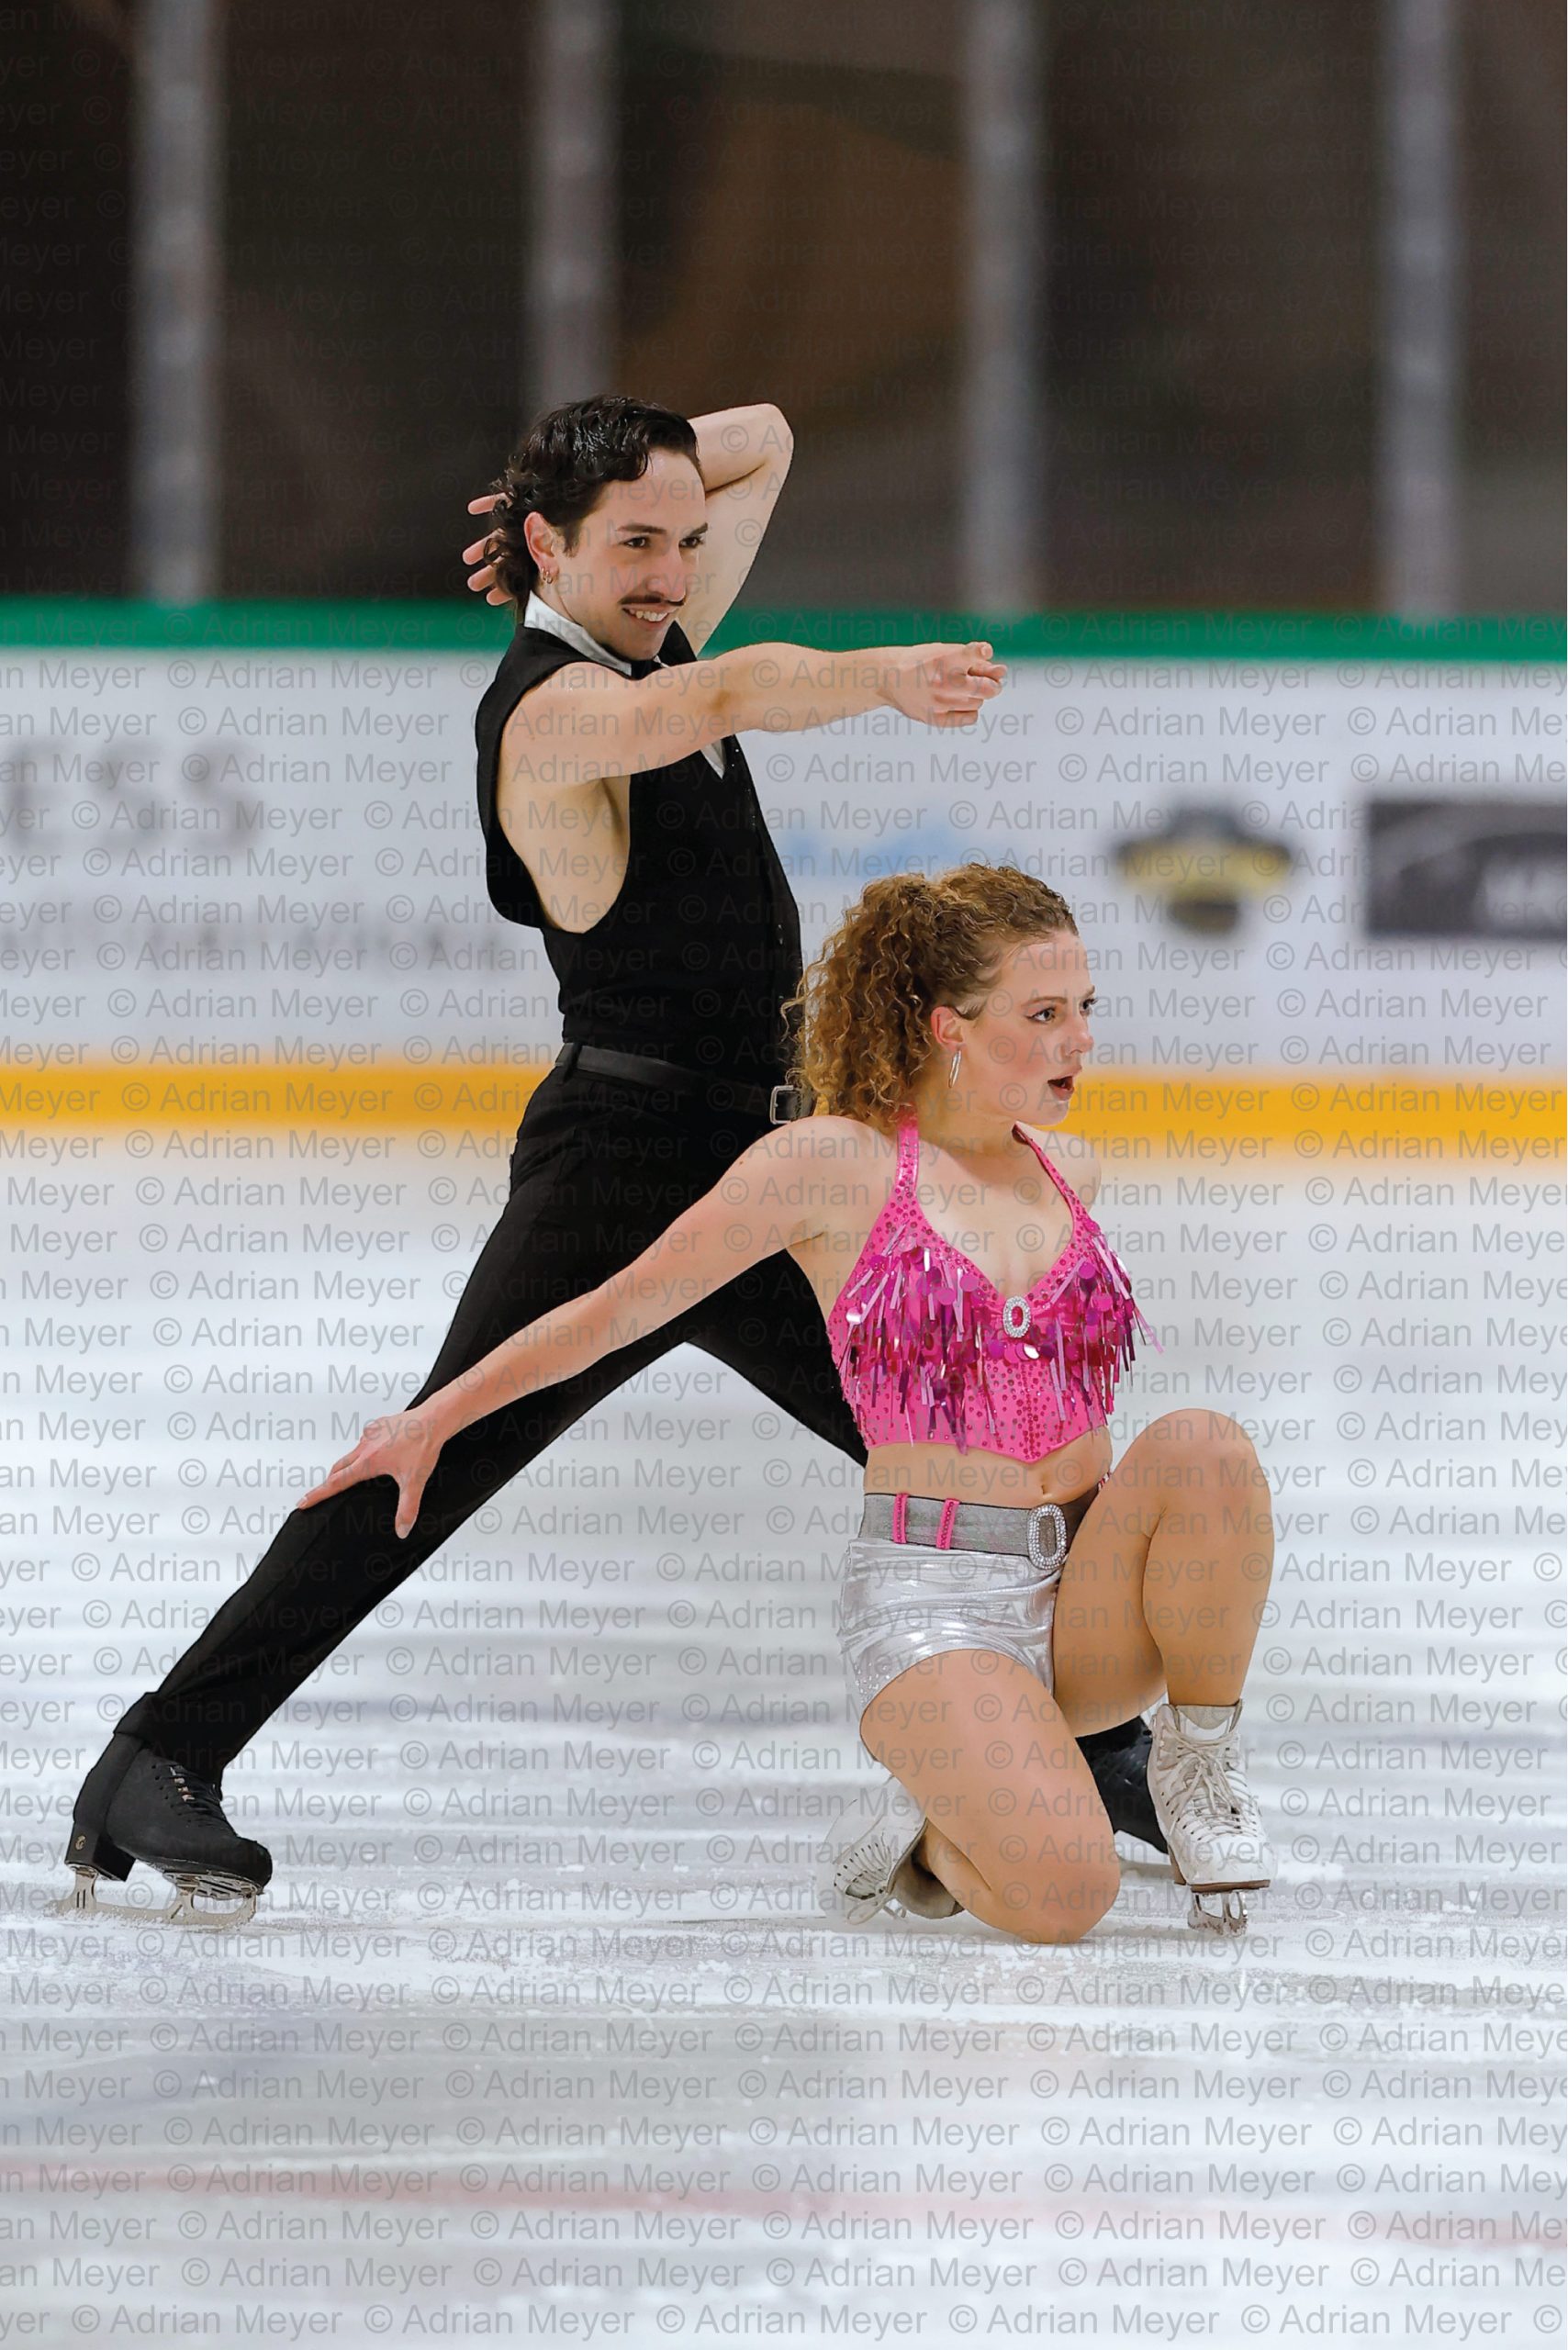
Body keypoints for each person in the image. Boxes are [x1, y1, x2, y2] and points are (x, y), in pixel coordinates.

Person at [51, 394, 1157, 1931]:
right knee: (429, 1461)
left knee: (995, 1427)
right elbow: (739, 691)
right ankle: (157, 1757)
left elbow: (764, 432)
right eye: (633, 543)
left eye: (682, 544)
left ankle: (1097, 1744)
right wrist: (885, 675)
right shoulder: (556, 712)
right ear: (545, 554)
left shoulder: (636, 630)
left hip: (773, 1161)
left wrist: (562, 483)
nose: (669, 572)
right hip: (626, 1164)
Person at [301, 863, 1278, 1942]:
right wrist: (433, 1417)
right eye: (1041, 1015)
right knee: (1066, 1896)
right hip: (937, 1599)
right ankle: (928, 1823)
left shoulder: (1068, 1170)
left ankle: (1195, 1765)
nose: (1077, 1040)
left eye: (1082, 1011)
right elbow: (614, 1307)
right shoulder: (833, 1166)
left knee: (1205, 1448)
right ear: (948, 1027)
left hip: (1084, 1594)